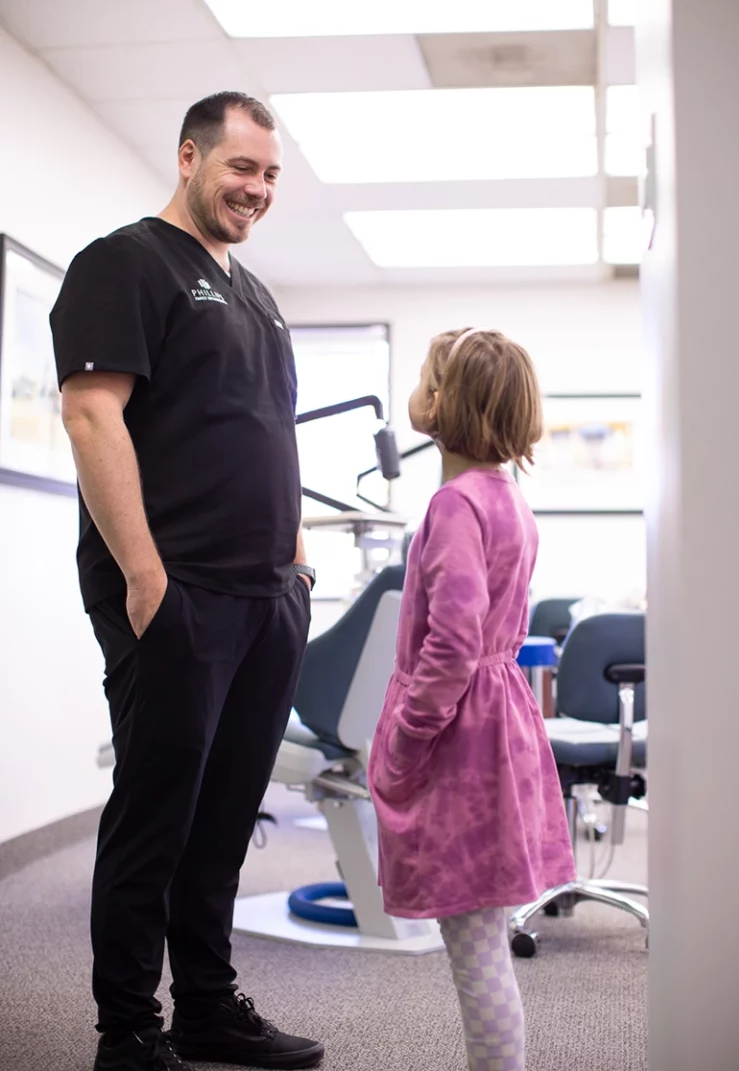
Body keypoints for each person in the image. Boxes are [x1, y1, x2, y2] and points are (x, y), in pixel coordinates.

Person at [50, 92, 324, 1071]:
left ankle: (209, 1004)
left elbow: (271, 429)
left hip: (264, 599)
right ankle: (128, 1031)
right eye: (240, 167)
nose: (255, 189)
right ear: (189, 157)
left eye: (270, 175)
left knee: (226, 815)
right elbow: (92, 415)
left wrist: (293, 561)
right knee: (156, 816)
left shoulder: (254, 293)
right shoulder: (122, 263)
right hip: (177, 594)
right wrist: (145, 574)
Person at [367, 328, 577, 1071]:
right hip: (499, 722)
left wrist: (406, 738)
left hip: (462, 737)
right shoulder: (505, 497)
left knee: (475, 944)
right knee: (483, 934)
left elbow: (451, 644)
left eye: (425, 377)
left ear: (447, 403)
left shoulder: (456, 506)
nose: (415, 390)